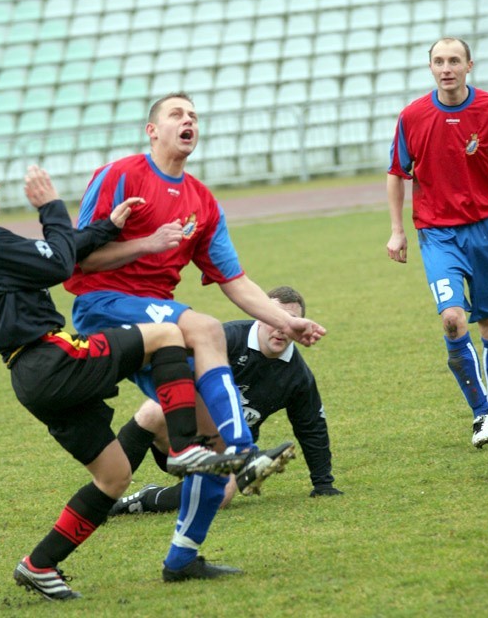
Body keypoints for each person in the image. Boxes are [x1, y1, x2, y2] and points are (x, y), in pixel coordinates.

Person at [0, 156, 248, 602]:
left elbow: (60, 252)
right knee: (167, 333)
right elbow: (61, 264)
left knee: (114, 476)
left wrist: (108, 228)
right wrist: (51, 205)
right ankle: (185, 447)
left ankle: (40, 564)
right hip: (52, 357)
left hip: (32, 378)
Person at [64, 92, 327, 580]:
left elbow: (235, 280)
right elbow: (76, 260)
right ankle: (247, 448)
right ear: (152, 130)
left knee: (211, 448)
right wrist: (147, 242)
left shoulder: (202, 201)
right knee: (205, 328)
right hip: (102, 306)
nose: (188, 122)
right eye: (177, 115)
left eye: (194, 117)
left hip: (158, 327)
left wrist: (285, 321)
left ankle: (181, 558)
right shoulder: (120, 175)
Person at [109, 285, 343, 516]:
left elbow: (312, 427)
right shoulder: (226, 339)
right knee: (154, 408)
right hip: (182, 438)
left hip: (228, 453)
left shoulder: (297, 377)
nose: (282, 328)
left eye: (290, 321)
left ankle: (143, 499)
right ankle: (104, 493)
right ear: (259, 316)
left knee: (221, 496)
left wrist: (323, 484)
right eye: (276, 318)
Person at [386, 37, 488, 448]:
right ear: (431, 67)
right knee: (453, 318)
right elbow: (396, 172)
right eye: (439, 61)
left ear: (469, 65)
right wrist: (397, 230)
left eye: (454, 60)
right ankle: (482, 416)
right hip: (438, 234)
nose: (446, 68)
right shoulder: (413, 117)